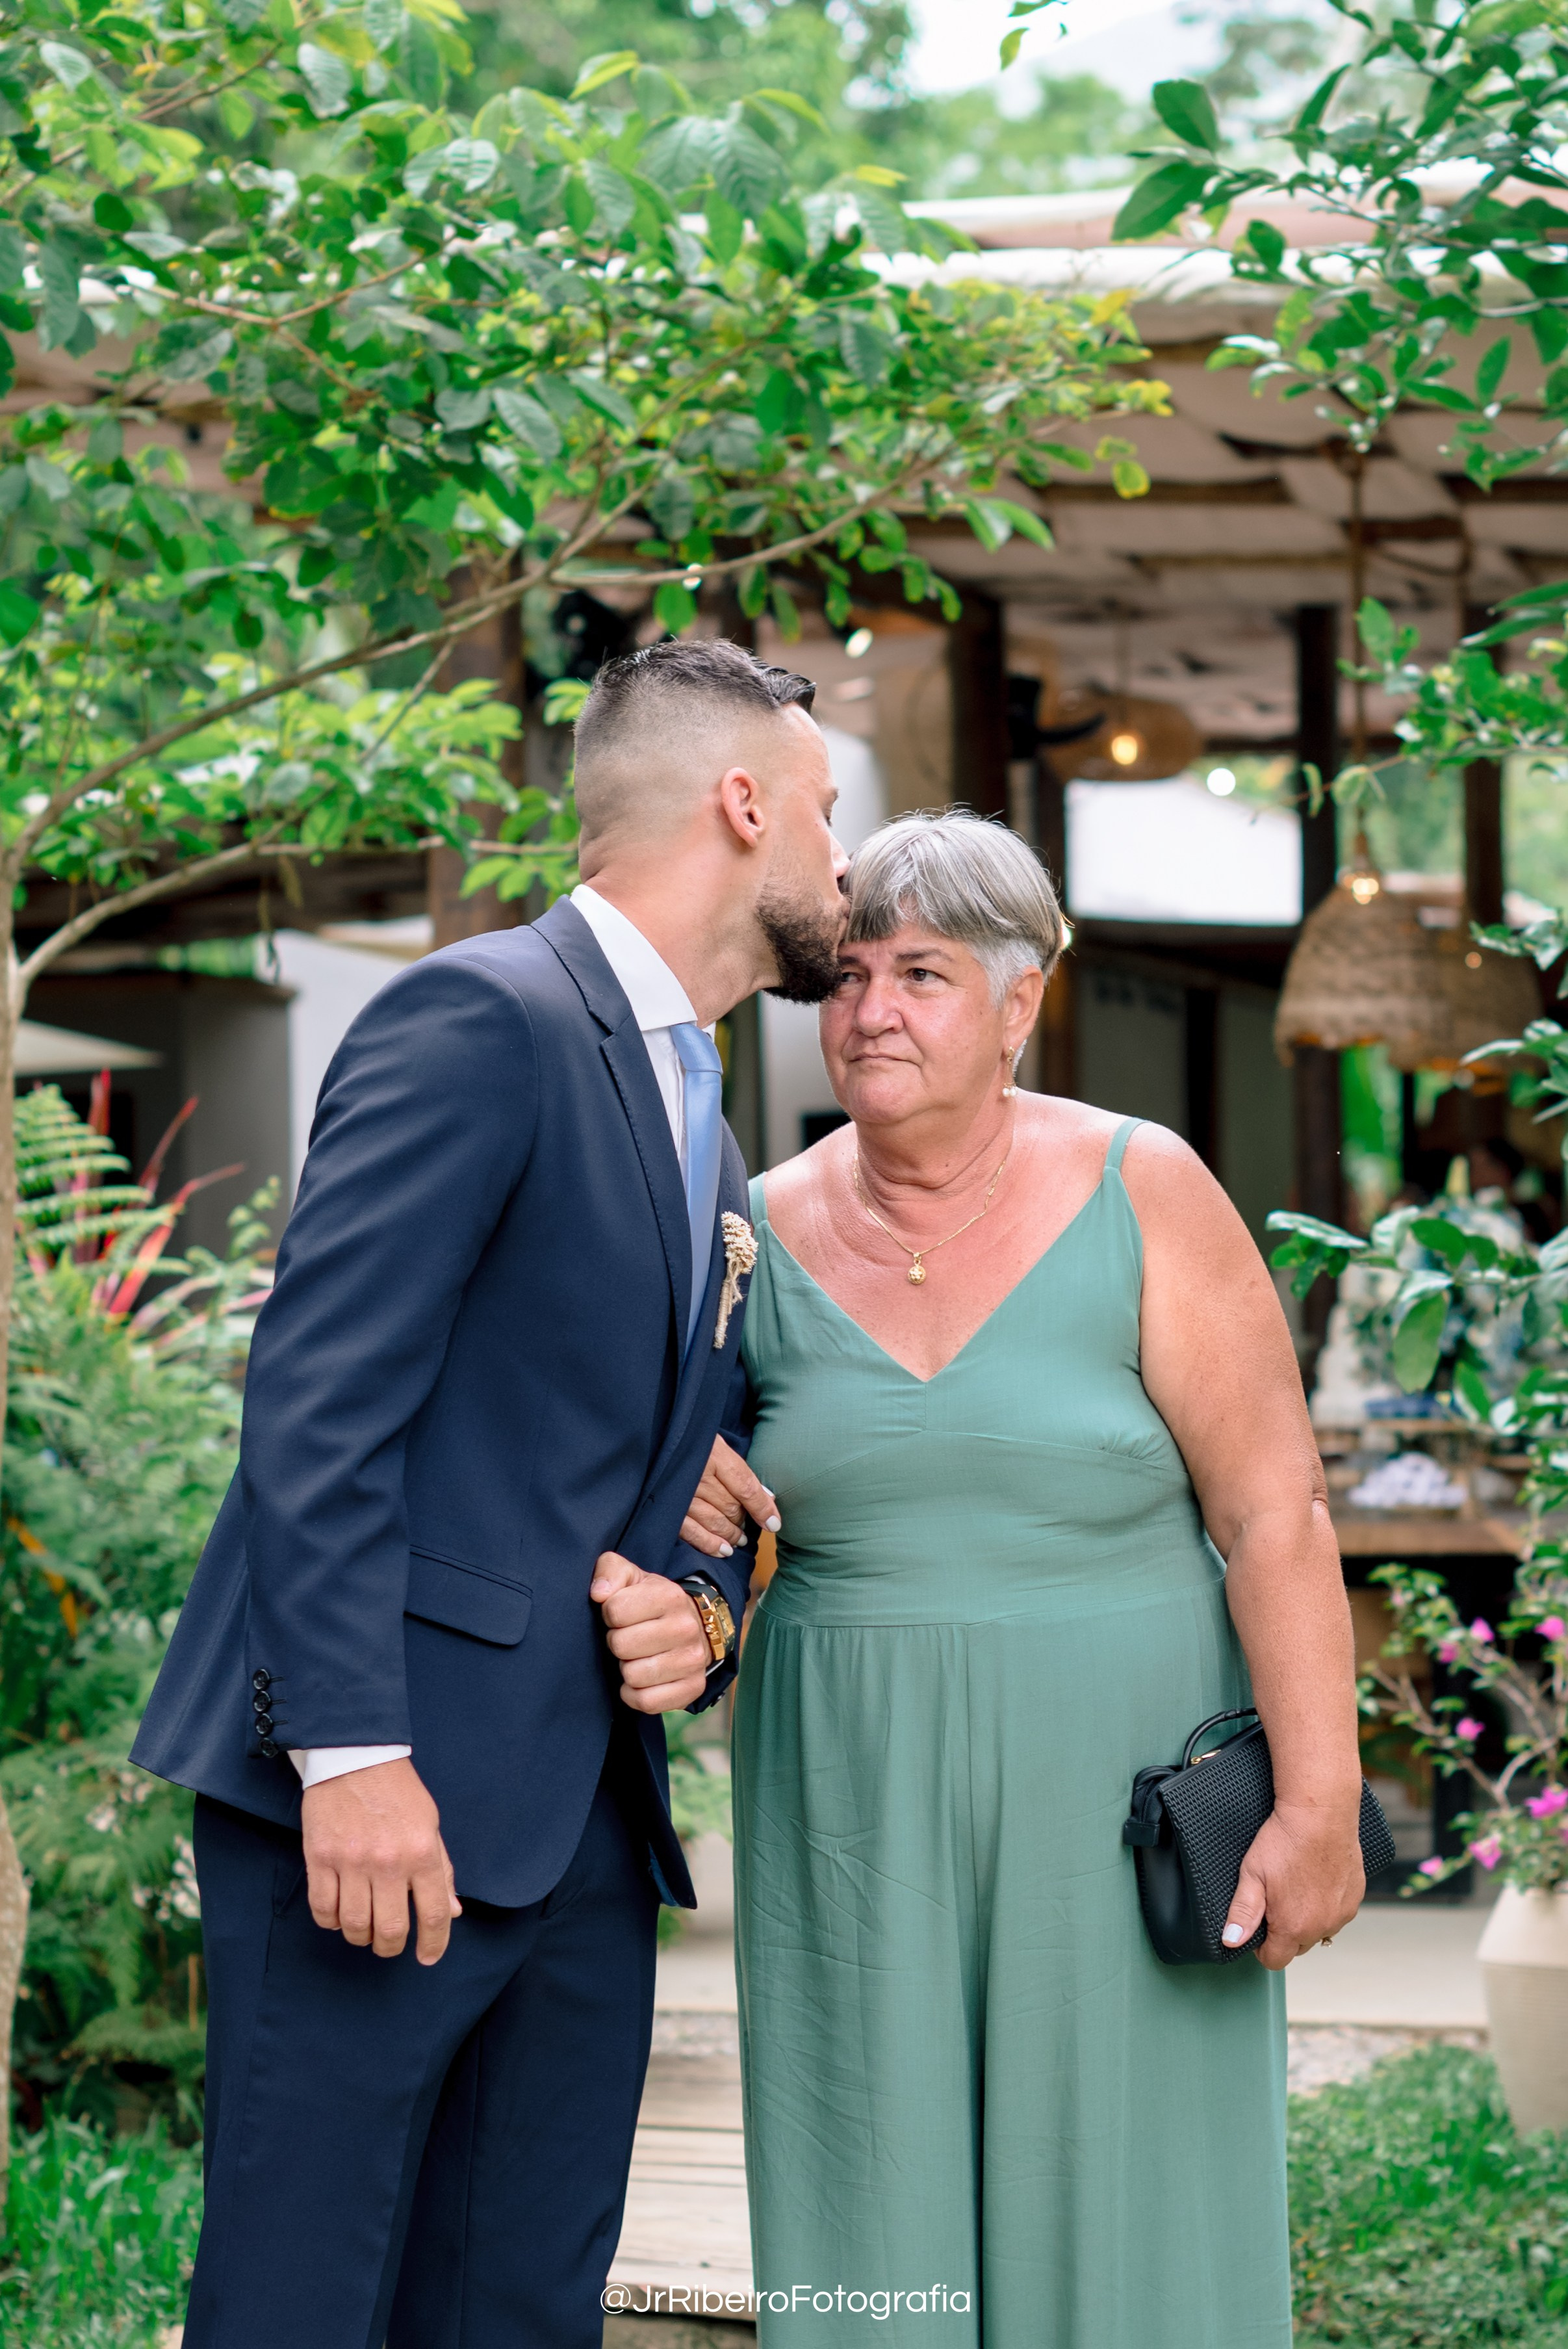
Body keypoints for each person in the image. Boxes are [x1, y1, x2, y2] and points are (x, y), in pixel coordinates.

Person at [131, 637, 846, 2349]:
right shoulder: (482, 1014)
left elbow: (688, 1474)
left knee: (519, 2301)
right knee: (305, 2294)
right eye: (825, 813)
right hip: (386, 1806)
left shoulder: (706, 1122)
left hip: (582, 1822)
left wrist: (709, 1615)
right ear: (741, 803)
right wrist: (352, 1754)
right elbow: (315, 1401)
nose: (843, 860)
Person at [688, 808, 1365, 2347]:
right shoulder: (752, 1231)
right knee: (874, 2203)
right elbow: (682, 1498)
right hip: (853, 1796)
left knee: (1125, 2206)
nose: (870, 1010)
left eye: (922, 971)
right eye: (846, 973)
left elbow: (1275, 1513)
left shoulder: (1146, 1188)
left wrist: (1317, 1806)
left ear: (1017, 1003)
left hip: (1119, 1790)